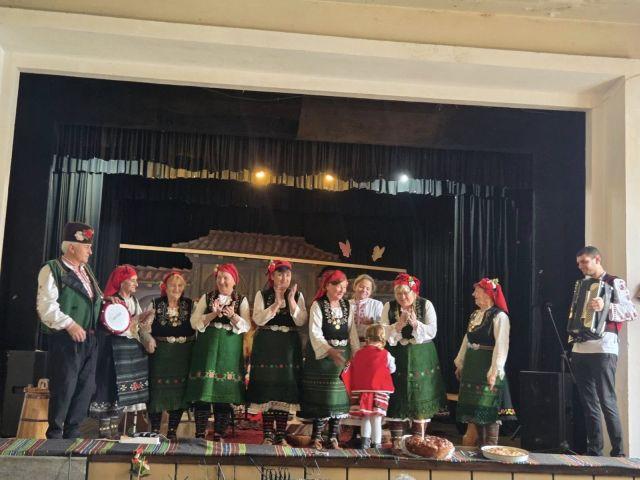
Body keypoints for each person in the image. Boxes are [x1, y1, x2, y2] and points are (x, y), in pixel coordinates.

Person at [36, 222, 102, 439]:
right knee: (64, 387)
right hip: (66, 339)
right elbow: (46, 307)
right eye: (87, 247)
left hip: (89, 339)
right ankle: (55, 436)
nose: (90, 251)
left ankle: (73, 434)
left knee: (85, 389)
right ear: (72, 247)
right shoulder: (53, 269)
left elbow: (93, 300)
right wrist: (70, 324)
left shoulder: (86, 271)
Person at [571, 246, 638, 457]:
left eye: (585, 262)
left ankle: (618, 452)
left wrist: (606, 306)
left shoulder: (614, 282)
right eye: (579, 264)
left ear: (597, 259)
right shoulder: (582, 285)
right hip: (580, 348)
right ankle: (594, 450)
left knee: (606, 400)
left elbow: (631, 312)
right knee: (588, 402)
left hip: (604, 348)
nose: (581, 267)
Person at [380, 273, 446, 449]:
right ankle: (397, 443)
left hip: (422, 356)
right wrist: (399, 325)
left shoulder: (426, 305)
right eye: (398, 293)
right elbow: (383, 332)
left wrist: (416, 324)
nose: (402, 297)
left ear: (414, 292)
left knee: (420, 396)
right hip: (397, 355)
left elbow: (432, 331)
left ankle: (418, 442)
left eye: (406, 293)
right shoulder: (389, 306)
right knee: (397, 395)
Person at [185, 263, 250, 440]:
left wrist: (232, 315)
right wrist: (213, 314)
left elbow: (246, 326)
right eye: (219, 277)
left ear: (234, 281)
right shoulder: (207, 298)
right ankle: (200, 433)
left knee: (224, 393)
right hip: (207, 349)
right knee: (203, 392)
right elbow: (194, 322)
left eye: (225, 278)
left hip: (229, 350)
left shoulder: (241, 300)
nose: (221, 281)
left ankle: (219, 433)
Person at [247, 260, 307, 445]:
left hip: (288, 346)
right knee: (267, 388)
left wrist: (291, 302)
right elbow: (258, 319)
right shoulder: (262, 294)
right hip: (266, 345)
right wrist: (275, 306)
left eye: (287, 275)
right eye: (280, 274)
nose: (284, 278)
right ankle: (267, 434)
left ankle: (280, 435)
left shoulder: (297, 295)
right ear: (272, 276)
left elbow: (301, 320)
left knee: (285, 388)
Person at [90, 265, 154, 438]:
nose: (136, 284)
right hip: (113, 350)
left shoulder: (134, 301)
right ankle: (104, 427)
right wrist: (135, 320)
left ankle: (114, 426)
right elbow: (115, 326)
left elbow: (138, 327)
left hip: (128, 350)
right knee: (109, 384)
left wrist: (144, 322)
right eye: (132, 281)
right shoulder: (112, 301)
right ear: (121, 281)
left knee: (121, 388)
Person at [299, 269, 360, 449]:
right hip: (322, 357)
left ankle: (333, 438)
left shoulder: (347, 306)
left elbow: (352, 332)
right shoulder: (318, 305)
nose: (341, 290)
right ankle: (316, 437)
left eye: (344, 287)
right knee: (322, 397)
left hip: (342, 355)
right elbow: (315, 333)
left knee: (338, 398)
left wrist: (356, 354)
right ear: (327, 286)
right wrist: (329, 350)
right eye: (338, 286)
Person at [454, 277, 511, 447]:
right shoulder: (475, 314)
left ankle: (490, 448)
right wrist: (460, 363)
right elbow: (467, 339)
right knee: (475, 410)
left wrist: (495, 371)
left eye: (477, 292)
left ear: (488, 294)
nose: (473, 295)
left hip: (487, 367)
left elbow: (501, 344)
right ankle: (478, 449)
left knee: (488, 409)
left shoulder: (499, 316)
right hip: (473, 367)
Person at [146, 271, 195, 439]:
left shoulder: (190, 305)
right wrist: (148, 338)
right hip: (160, 354)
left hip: (183, 355)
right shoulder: (155, 304)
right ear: (165, 287)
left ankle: (172, 431)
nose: (176, 288)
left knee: (179, 393)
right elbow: (145, 327)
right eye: (173, 285)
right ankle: (154, 431)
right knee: (156, 392)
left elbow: (198, 326)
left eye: (180, 285)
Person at [341, 324, 395, 449]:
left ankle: (364, 444)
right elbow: (392, 369)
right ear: (382, 338)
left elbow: (353, 368)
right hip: (378, 390)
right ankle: (376, 445)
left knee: (365, 417)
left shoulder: (358, 353)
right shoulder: (386, 354)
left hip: (361, 390)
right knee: (376, 419)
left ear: (367, 338)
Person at [350, 274, 384, 345]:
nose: (364, 290)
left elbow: (383, 325)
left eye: (368, 289)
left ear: (371, 291)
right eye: (361, 287)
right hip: (349, 342)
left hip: (369, 343)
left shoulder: (377, 304)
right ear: (355, 287)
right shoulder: (347, 304)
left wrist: (373, 322)